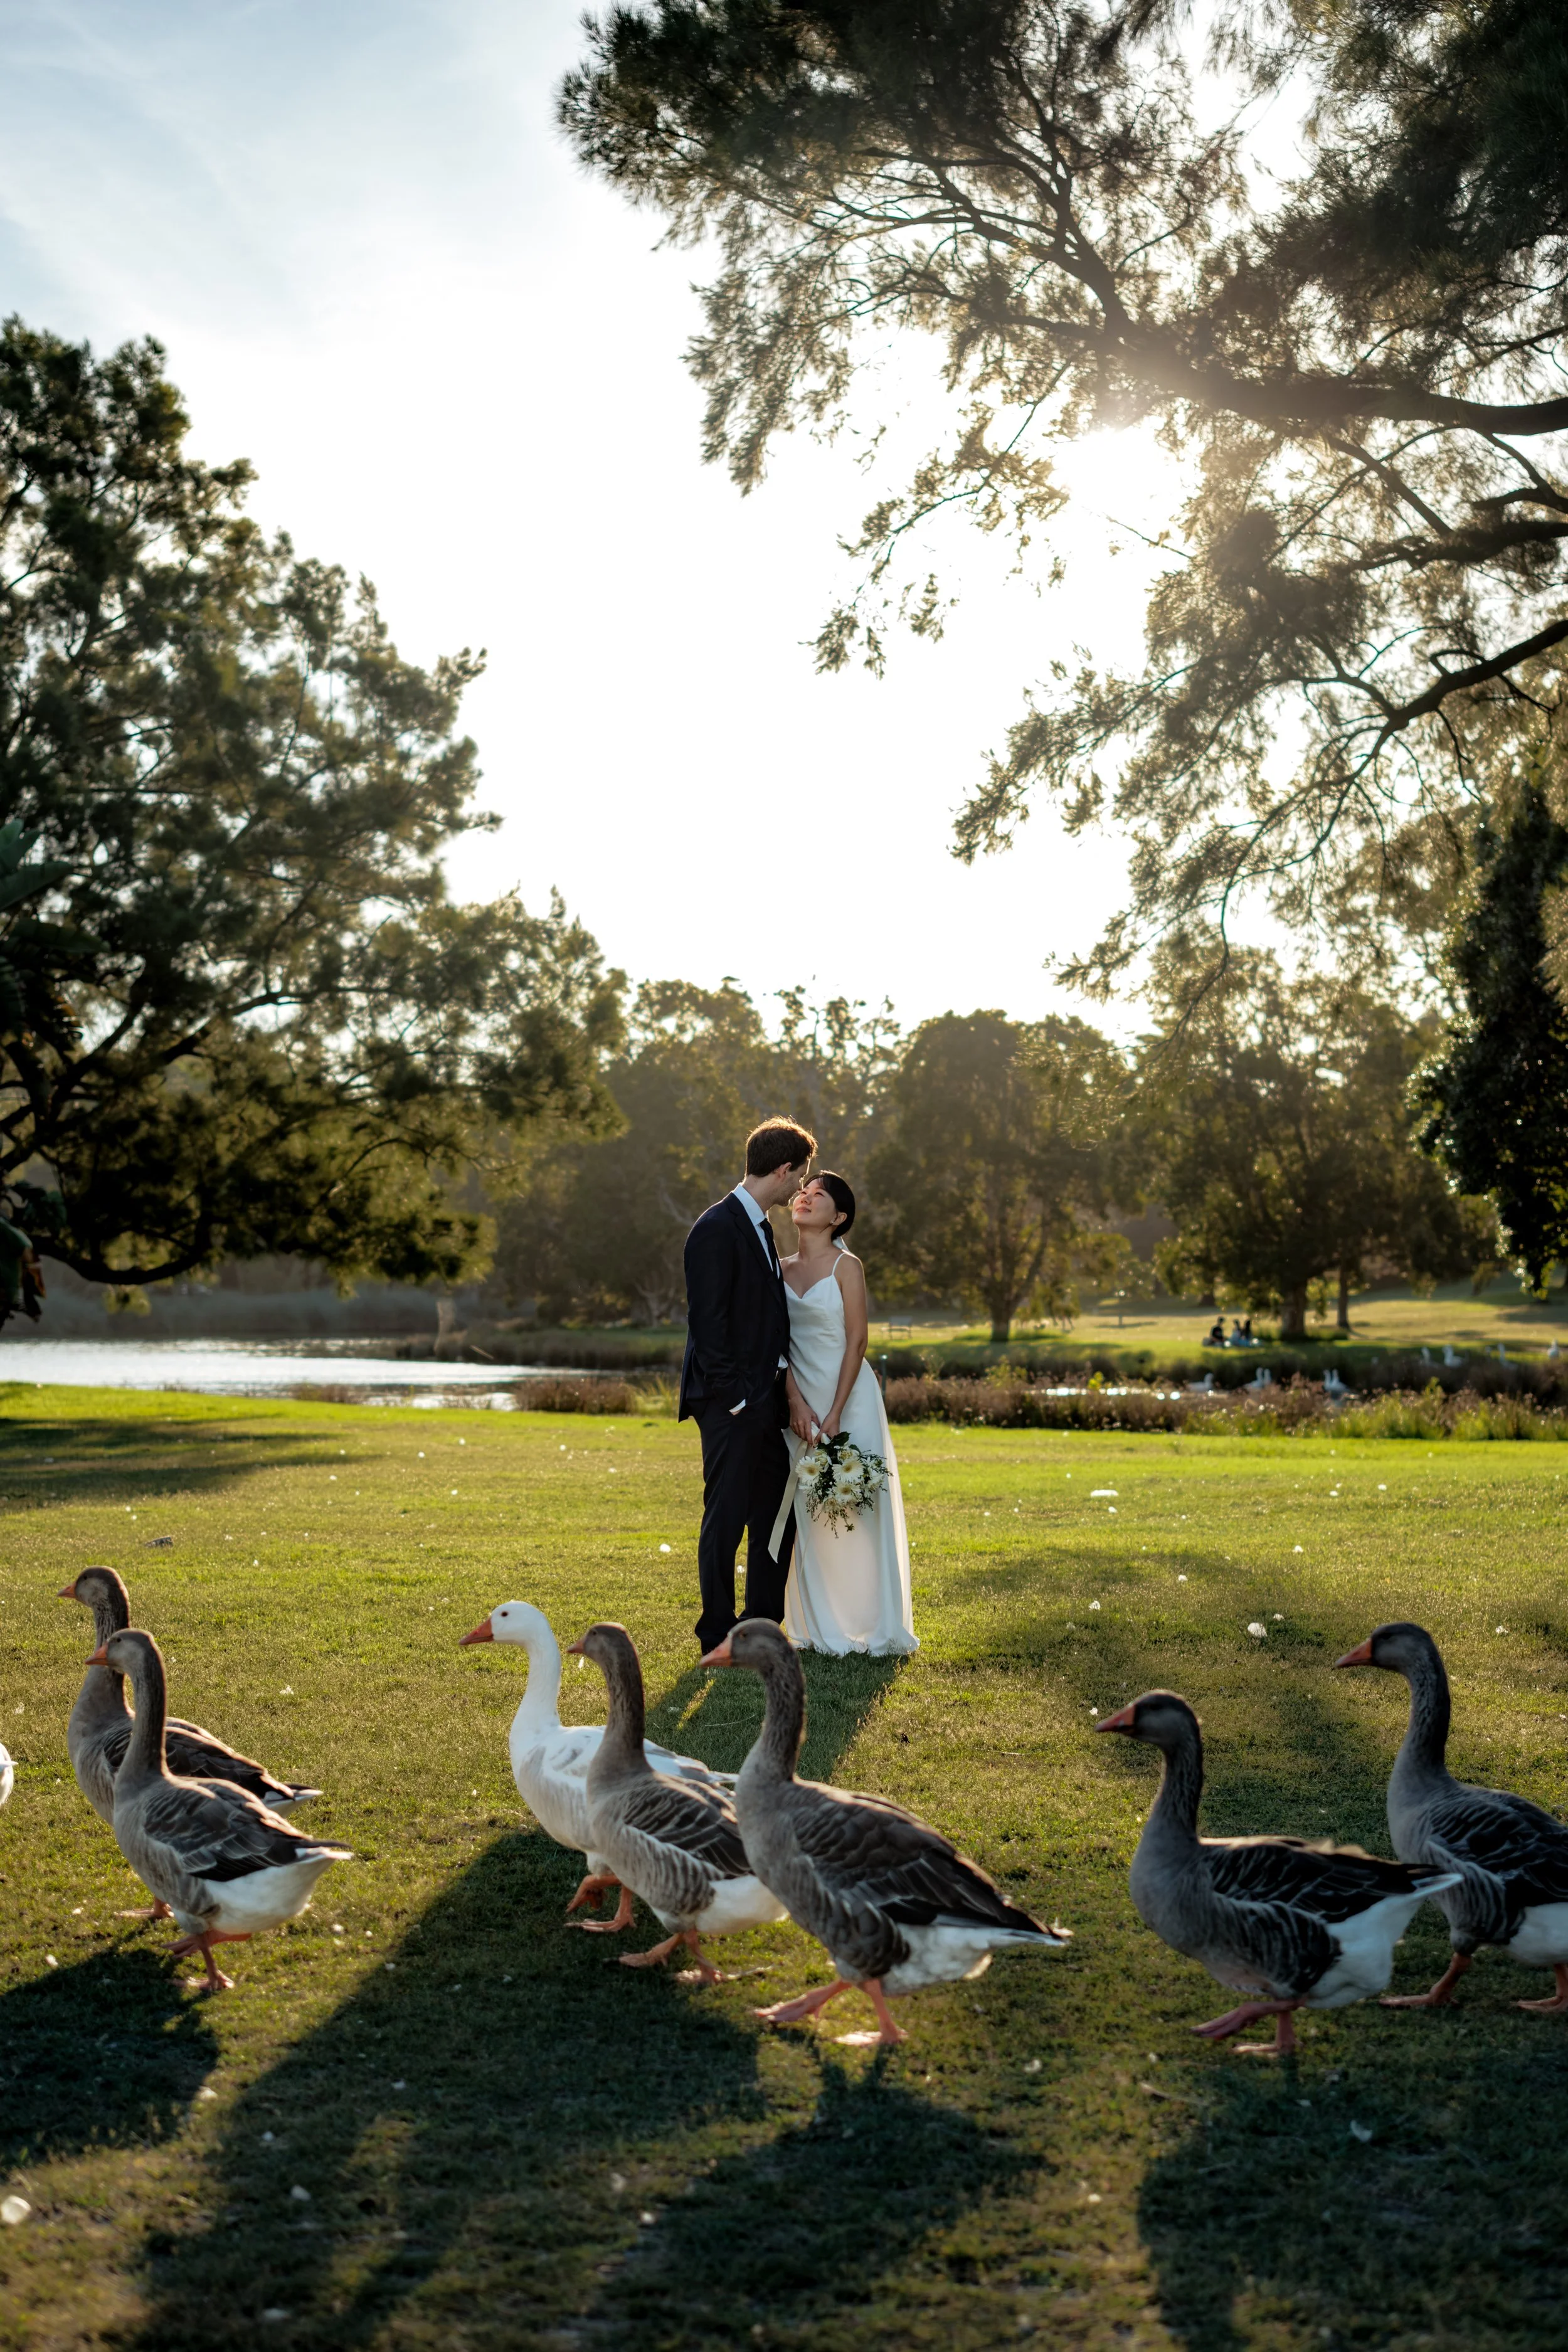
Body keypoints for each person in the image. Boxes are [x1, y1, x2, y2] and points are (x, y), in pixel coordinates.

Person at [680, 1116, 816, 1653]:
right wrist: (735, 1399)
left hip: (766, 1404)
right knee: (727, 1515)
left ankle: (761, 1620)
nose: (800, 1188)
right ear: (782, 1169)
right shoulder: (716, 1227)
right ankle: (715, 1629)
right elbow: (707, 1324)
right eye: (798, 1177)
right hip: (731, 1405)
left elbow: (765, 1321)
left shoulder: (760, 1225)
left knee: (775, 1513)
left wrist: (779, 1390)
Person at [775, 1172, 917, 1655]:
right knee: (810, 1510)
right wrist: (796, 1401)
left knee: (858, 1507)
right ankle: (818, 1627)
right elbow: (776, 1347)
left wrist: (835, 1413)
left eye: (819, 1196)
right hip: (800, 1407)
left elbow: (858, 1340)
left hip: (848, 1400)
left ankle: (873, 1623)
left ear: (838, 1218)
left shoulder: (846, 1266)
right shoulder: (778, 1267)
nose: (806, 1198)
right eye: (803, 1192)